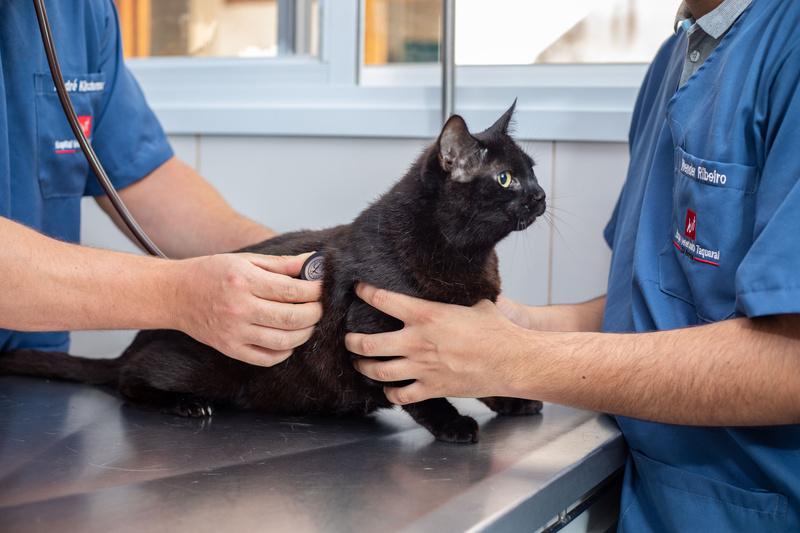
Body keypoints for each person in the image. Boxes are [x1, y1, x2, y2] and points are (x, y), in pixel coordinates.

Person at [347, 0, 800, 530]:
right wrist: (517, 324)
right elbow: (665, 301)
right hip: (651, 499)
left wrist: (517, 359)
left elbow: (789, 363)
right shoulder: (674, 60)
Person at [0, 0, 322, 366]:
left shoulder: (81, 11)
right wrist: (178, 294)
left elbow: (145, 179)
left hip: (30, 372)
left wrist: (302, 270)